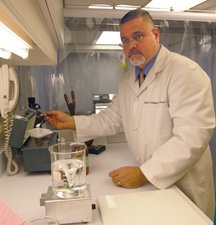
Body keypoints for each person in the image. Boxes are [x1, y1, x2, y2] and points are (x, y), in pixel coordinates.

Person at [45, 9, 215, 220]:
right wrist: (71, 122)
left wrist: (145, 173)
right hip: (149, 185)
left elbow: (191, 138)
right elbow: (110, 120)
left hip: (183, 184)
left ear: (155, 34)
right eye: (125, 40)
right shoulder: (129, 80)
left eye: (138, 36)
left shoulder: (185, 72)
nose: (131, 45)